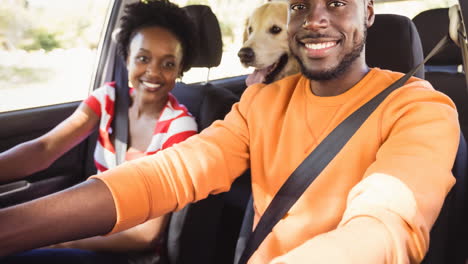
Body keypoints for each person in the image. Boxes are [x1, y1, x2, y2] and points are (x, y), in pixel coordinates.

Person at [0, 0, 460, 263]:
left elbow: (383, 227)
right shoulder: (262, 102)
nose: (316, 17)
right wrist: (12, 226)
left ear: (369, 12)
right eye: (300, 4)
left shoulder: (421, 108)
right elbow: (172, 173)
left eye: (337, 2)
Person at [0, 0, 198, 263]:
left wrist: (63, 241)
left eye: (168, 64)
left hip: (129, 253)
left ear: (180, 69)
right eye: (143, 58)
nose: (153, 72)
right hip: (92, 229)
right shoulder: (107, 99)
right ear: (127, 57)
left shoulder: (181, 128)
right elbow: (44, 149)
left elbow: (145, 234)